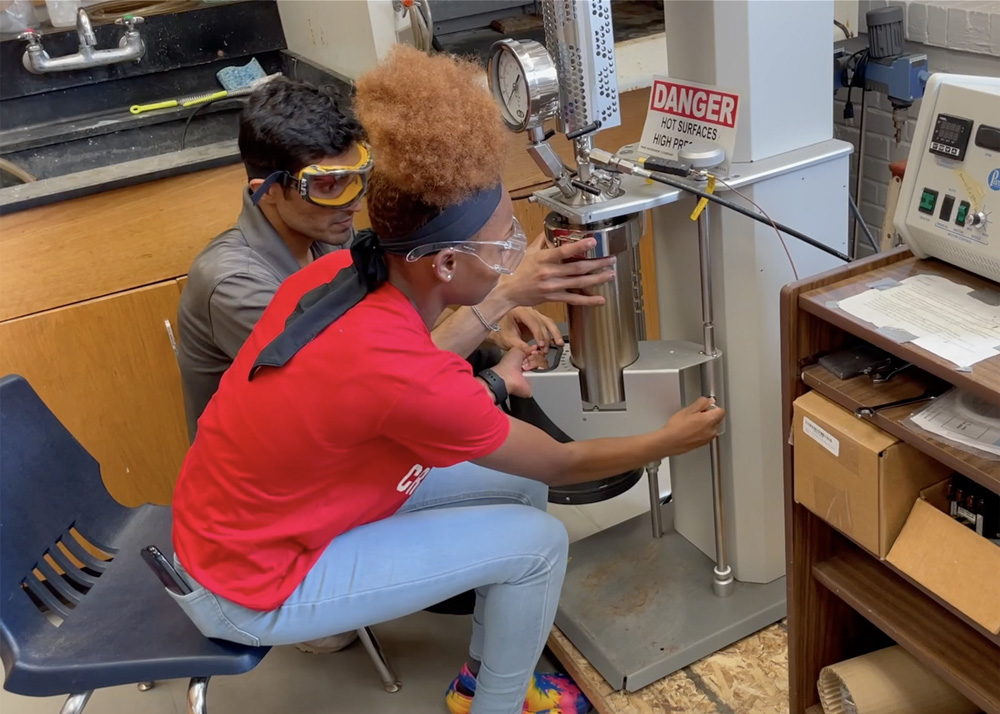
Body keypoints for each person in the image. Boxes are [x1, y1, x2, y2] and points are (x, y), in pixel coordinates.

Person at [169, 46, 724, 714]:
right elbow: (564, 462)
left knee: (515, 484)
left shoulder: (339, 273)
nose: (512, 255)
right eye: (502, 247)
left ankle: (484, 679)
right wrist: (667, 439)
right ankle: (496, 707)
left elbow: (404, 378)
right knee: (541, 544)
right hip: (247, 582)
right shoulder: (394, 366)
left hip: (255, 514)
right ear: (447, 264)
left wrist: (491, 324)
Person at [177, 77, 609, 442]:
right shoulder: (234, 284)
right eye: (330, 186)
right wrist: (498, 300)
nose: (353, 202)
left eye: (359, 177)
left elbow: (394, 324)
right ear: (268, 190)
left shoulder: (326, 233)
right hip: (297, 472)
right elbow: (371, 389)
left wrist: (493, 318)